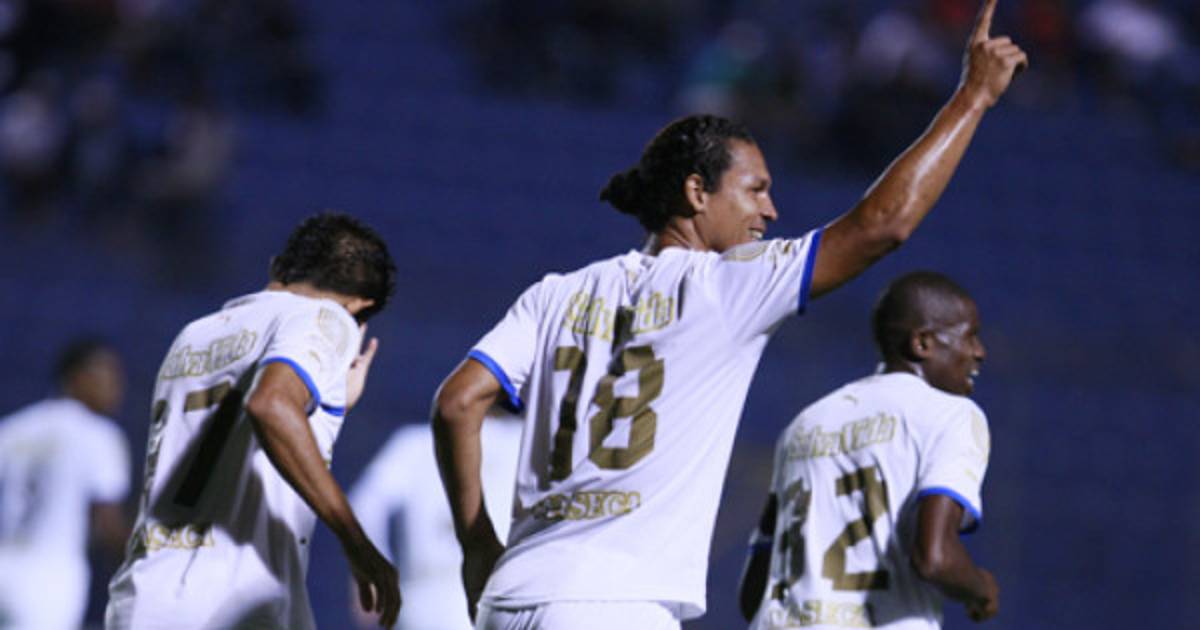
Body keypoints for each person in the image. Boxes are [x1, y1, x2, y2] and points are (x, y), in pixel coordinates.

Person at [432, 0, 1025, 626]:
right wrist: (972, 98)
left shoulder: (555, 294)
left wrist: (478, 547)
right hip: (616, 604)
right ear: (697, 191)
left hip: (511, 597)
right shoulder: (727, 285)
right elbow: (883, 225)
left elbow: (457, 403)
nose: (770, 211)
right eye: (756, 189)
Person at [105, 212, 402, 629]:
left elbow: (231, 437)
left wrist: (329, 407)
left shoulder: (194, 334)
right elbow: (271, 405)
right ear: (360, 307)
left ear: (276, 267)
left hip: (144, 596)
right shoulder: (326, 318)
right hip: (234, 602)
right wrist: (357, 543)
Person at [738, 271, 996, 629]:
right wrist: (982, 589)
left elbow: (753, 593)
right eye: (969, 336)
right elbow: (935, 559)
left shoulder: (805, 424)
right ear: (922, 343)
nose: (980, 352)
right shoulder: (950, 415)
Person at [0, 338, 131, 630]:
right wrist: (141, 570)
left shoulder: (14, 428)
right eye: (108, 375)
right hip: (50, 578)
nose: (117, 387)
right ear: (78, 376)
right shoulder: (98, 434)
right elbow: (107, 523)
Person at [349, 413, 523, 629]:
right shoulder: (525, 440)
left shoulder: (414, 443)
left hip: (424, 600)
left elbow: (364, 505)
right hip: (496, 597)